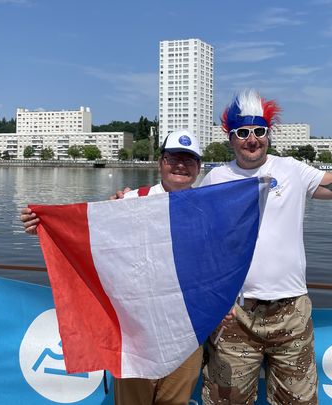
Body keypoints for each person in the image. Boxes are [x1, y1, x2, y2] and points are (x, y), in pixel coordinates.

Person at [198, 89, 332, 405]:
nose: (252, 139)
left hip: (291, 312)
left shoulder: (291, 169)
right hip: (235, 315)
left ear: (268, 134)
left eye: (259, 131)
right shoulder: (215, 179)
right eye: (242, 132)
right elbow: (192, 241)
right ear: (230, 137)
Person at [20, 129, 205, 405]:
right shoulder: (130, 202)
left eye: (189, 160)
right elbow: (87, 235)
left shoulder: (208, 210)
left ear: (199, 167)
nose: (181, 165)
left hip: (187, 329)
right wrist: (45, 226)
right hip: (136, 329)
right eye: (173, 158)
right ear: (160, 163)